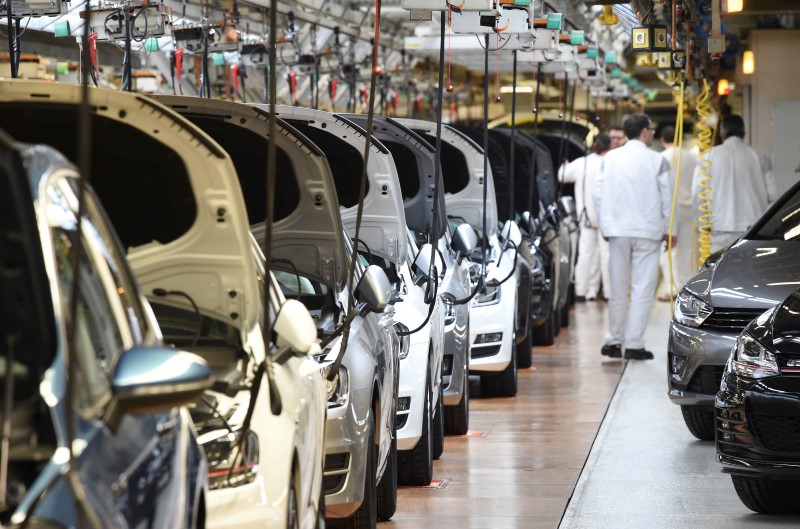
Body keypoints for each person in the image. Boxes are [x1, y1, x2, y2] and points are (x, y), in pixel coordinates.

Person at [593, 114, 674, 360]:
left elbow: (598, 194)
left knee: (617, 286)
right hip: (648, 232)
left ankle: (613, 341)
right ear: (645, 132)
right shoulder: (657, 160)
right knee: (642, 288)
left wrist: (605, 226)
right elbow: (667, 198)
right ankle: (634, 344)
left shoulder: (610, 159)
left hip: (617, 231)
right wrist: (670, 230)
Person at [691, 114, 771, 253]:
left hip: (719, 227)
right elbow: (772, 194)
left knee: (720, 270)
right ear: (743, 133)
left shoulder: (707, 158)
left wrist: (702, 224)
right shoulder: (759, 156)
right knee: (749, 270)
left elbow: (697, 193)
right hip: (753, 227)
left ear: (721, 134)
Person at [558, 134, 611, 302]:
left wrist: (564, 166)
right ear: (608, 146)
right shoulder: (611, 163)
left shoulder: (582, 163)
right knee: (607, 255)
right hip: (607, 219)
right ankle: (608, 292)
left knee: (586, 254)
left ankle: (583, 290)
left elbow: (562, 176)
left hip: (586, 217)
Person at [657, 126, 697, 301]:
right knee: (688, 249)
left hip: (671, 209)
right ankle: (688, 287)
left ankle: (672, 288)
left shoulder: (662, 157)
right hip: (689, 206)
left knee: (669, 249)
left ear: (662, 140)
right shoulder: (690, 156)